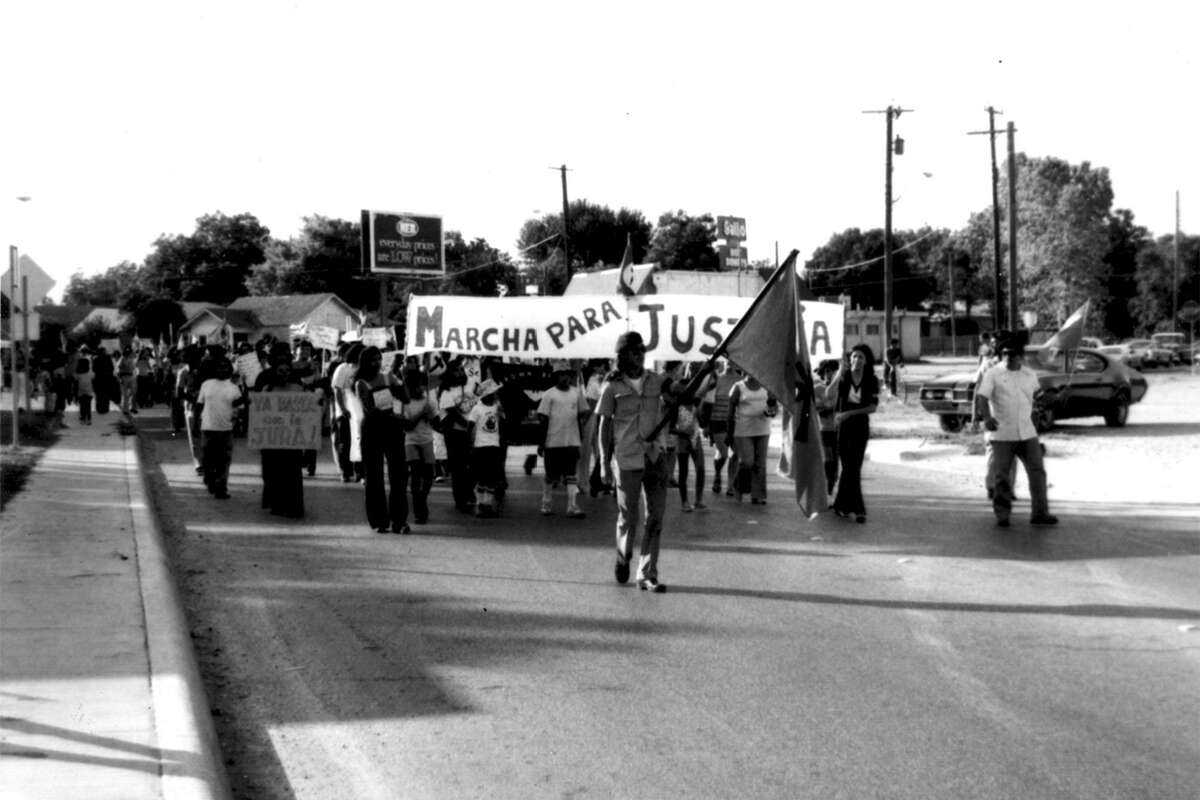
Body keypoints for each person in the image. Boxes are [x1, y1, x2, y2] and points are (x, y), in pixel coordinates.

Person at [597, 331, 670, 593]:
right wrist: (605, 463)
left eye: (642, 349)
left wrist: (704, 375)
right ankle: (623, 554)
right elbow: (604, 427)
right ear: (622, 355)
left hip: (655, 456)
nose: (641, 354)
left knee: (656, 516)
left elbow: (680, 392)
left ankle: (647, 573)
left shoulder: (657, 381)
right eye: (635, 350)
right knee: (629, 515)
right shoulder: (611, 387)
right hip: (627, 458)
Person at [974, 333, 1058, 528]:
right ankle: (1002, 515)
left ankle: (1040, 513)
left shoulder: (1029, 374)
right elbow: (982, 397)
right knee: (1002, 476)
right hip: (1002, 433)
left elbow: (1038, 396)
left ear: (1021, 356)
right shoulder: (993, 373)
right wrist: (987, 418)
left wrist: (1049, 400)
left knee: (1038, 473)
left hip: (1027, 433)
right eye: (1004, 353)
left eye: (1012, 354)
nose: (1008, 357)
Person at [354, 346, 410, 533]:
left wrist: (402, 380)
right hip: (373, 429)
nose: (377, 363)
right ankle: (379, 520)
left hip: (392, 429)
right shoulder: (361, 382)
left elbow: (406, 398)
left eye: (379, 359)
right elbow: (371, 408)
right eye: (373, 360)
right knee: (374, 476)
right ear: (365, 362)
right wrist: (390, 400)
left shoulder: (389, 377)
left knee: (399, 475)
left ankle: (399, 520)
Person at [823, 344, 879, 523]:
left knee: (854, 468)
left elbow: (872, 407)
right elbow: (828, 394)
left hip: (860, 426)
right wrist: (840, 371)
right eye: (854, 356)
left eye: (861, 357)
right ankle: (859, 510)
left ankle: (842, 505)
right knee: (849, 468)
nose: (856, 360)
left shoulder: (871, 379)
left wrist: (849, 413)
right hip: (844, 429)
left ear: (866, 361)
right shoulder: (844, 377)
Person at [253, 343, 307, 518]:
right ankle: (276, 502)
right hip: (272, 434)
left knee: (292, 470)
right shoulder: (264, 379)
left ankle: (293, 505)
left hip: (292, 434)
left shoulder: (297, 380)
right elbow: (257, 406)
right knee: (272, 470)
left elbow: (306, 406)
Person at [536, 361, 590, 518]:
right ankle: (546, 503)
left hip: (571, 441)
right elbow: (543, 419)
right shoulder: (549, 394)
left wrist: (579, 431)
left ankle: (572, 506)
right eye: (561, 375)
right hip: (553, 442)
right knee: (550, 475)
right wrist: (541, 443)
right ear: (556, 376)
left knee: (571, 474)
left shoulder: (576, 393)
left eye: (568, 374)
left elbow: (584, 411)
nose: (565, 378)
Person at [194, 356, 244, 500]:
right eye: (220, 367)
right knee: (208, 459)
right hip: (208, 428)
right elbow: (199, 405)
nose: (223, 369)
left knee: (224, 460)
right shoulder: (206, 384)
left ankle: (221, 487)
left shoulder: (234, 388)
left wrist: (245, 400)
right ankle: (210, 480)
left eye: (225, 367)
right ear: (215, 370)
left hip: (226, 430)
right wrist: (195, 425)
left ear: (230, 370)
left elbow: (238, 407)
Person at [437, 358, 479, 513]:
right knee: (458, 467)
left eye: (461, 370)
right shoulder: (446, 390)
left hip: (469, 431)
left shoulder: (467, 387)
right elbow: (452, 413)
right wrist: (466, 426)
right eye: (456, 370)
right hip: (454, 433)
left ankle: (469, 492)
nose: (460, 373)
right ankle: (460, 498)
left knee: (472, 464)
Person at [727, 372, 777, 504]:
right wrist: (729, 432)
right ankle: (738, 487)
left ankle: (758, 495)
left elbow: (774, 409)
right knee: (747, 462)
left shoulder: (767, 385)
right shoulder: (738, 387)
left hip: (763, 429)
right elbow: (730, 412)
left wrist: (771, 409)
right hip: (743, 430)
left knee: (760, 464)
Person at [401, 367, 439, 524]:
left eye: (422, 385)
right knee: (416, 475)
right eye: (417, 386)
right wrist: (420, 415)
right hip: (411, 442)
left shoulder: (428, 401)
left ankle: (421, 499)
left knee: (429, 475)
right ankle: (419, 510)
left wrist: (431, 415)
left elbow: (436, 423)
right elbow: (407, 426)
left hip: (427, 440)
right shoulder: (405, 403)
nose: (421, 389)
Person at [699, 358, 740, 497]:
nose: (730, 363)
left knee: (735, 454)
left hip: (736, 422)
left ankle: (730, 485)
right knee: (723, 453)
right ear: (724, 362)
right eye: (728, 361)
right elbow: (707, 403)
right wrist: (706, 426)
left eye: (733, 361)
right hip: (717, 421)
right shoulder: (717, 380)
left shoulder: (740, 381)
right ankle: (717, 474)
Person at [467, 379, 505, 517]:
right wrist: (470, 444)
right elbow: (470, 426)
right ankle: (481, 504)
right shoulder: (477, 408)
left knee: (491, 477)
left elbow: (502, 421)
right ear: (487, 395)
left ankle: (487, 504)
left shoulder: (496, 406)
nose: (496, 395)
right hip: (480, 446)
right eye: (494, 393)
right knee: (482, 477)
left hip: (494, 445)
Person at [330, 342, 365, 483]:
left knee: (359, 442)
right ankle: (345, 471)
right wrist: (343, 409)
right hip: (345, 413)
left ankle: (360, 472)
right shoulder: (342, 369)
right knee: (344, 443)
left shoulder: (363, 369)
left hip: (360, 413)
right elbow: (337, 390)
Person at [671, 374, 706, 512]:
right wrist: (683, 433)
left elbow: (701, 422)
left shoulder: (695, 403)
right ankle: (684, 501)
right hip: (682, 441)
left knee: (701, 469)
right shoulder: (676, 407)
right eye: (685, 390)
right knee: (683, 472)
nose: (688, 392)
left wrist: (701, 417)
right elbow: (671, 428)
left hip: (695, 438)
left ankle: (698, 500)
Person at [813, 359, 841, 494]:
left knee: (835, 462)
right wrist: (829, 408)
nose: (830, 374)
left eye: (834, 371)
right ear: (823, 373)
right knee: (827, 459)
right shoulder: (818, 389)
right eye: (828, 371)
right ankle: (825, 486)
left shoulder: (841, 389)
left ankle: (831, 485)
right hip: (824, 429)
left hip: (838, 430)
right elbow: (820, 409)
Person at [75, 350, 95, 426]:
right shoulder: (90, 373)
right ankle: (89, 419)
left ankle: (83, 418)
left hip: (80, 392)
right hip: (89, 391)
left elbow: (76, 383)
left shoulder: (78, 374)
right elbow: (93, 380)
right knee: (88, 406)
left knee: (82, 406)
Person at [118, 345, 138, 414]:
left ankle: (132, 407)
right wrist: (120, 378)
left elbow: (134, 367)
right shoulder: (122, 358)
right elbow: (119, 368)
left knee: (133, 392)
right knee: (125, 394)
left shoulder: (132, 358)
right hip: (124, 376)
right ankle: (125, 409)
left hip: (131, 376)